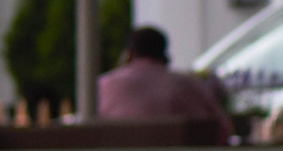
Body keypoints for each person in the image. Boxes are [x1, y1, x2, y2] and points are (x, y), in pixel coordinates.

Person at [96, 25, 233, 139]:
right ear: (165, 55)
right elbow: (223, 130)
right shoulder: (191, 85)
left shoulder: (104, 85)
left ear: (128, 54)